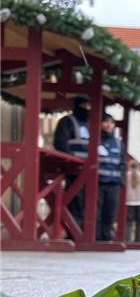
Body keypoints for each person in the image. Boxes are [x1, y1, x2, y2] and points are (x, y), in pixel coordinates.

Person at [53, 95, 91, 228]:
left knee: (87, 204)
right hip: (73, 170)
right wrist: (72, 161)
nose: (87, 109)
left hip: (90, 171)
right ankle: (74, 232)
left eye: (89, 106)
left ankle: (82, 232)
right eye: (84, 105)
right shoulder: (67, 121)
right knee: (75, 203)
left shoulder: (92, 124)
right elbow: (60, 143)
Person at [95, 114, 124, 241]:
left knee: (110, 213)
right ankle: (96, 237)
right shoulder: (95, 141)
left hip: (114, 184)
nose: (109, 125)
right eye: (106, 122)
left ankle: (106, 237)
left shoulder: (118, 143)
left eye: (111, 123)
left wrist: (122, 181)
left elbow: (123, 164)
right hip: (98, 183)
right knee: (97, 212)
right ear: (100, 124)